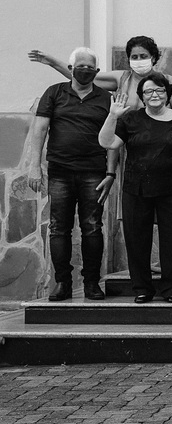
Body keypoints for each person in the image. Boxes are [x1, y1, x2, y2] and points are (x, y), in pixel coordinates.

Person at [98, 73, 172, 304]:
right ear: (142, 97)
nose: (154, 95)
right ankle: (142, 288)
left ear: (167, 94)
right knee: (136, 240)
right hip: (136, 190)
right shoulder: (131, 119)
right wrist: (112, 116)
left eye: (160, 91)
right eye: (148, 91)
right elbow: (107, 143)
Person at [28, 47, 118, 301]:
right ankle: (62, 283)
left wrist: (111, 173)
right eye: (81, 66)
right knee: (59, 228)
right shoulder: (54, 93)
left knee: (92, 227)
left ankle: (91, 283)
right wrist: (35, 166)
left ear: (97, 72)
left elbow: (113, 138)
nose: (86, 70)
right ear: (70, 69)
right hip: (60, 172)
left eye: (91, 67)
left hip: (94, 173)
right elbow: (40, 129)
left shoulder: (106, 98)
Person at [30, 35, 172, 112]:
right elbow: (82, 75)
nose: (139, 60)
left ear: (153, 58)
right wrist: (52, 62)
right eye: (134, 57)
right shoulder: (121, 78)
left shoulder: (168, 81)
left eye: (143, 56)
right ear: (129, 59)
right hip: (129, 145)